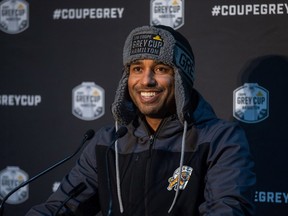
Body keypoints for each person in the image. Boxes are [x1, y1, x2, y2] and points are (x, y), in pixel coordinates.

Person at [26, 25, 256, 216]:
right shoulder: (107, 142)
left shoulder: (220, 139)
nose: (146, 81)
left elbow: (229, 209)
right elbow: (60, 207)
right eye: (137, 68)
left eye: (160, 68)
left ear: (181, 79)